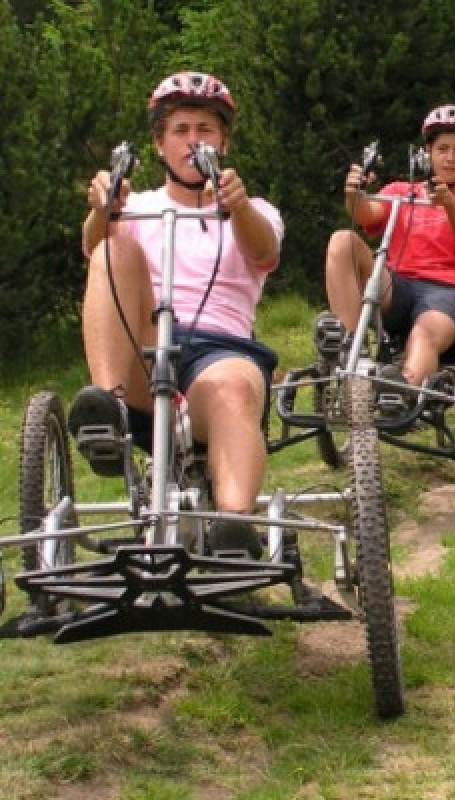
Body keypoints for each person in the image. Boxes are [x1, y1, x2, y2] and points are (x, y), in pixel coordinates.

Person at [69, 71, 283, 556]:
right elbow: (91, 246)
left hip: (219, 353)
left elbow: (263, 248)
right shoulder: (137, 206)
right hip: (143, 352)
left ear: (222, 142)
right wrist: (103, 211)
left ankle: (232, 526)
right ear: (159, 144)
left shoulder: (258, 210)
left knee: (231, 385)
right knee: (113, 249)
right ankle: (109, 408)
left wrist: (237, 207)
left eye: (204, 130)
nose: (192, 141)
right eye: (180, 130)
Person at [323, 104, 455, 394]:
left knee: (425, 332)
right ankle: (350, 351)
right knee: (342, 241)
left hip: (449, 295)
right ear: (428, 151)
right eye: (442, 149)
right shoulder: (401, 192)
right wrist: (354, 195)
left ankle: (401, 392)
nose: (450, 158)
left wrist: (449, 204)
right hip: (397, 288)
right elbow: (367, 215)